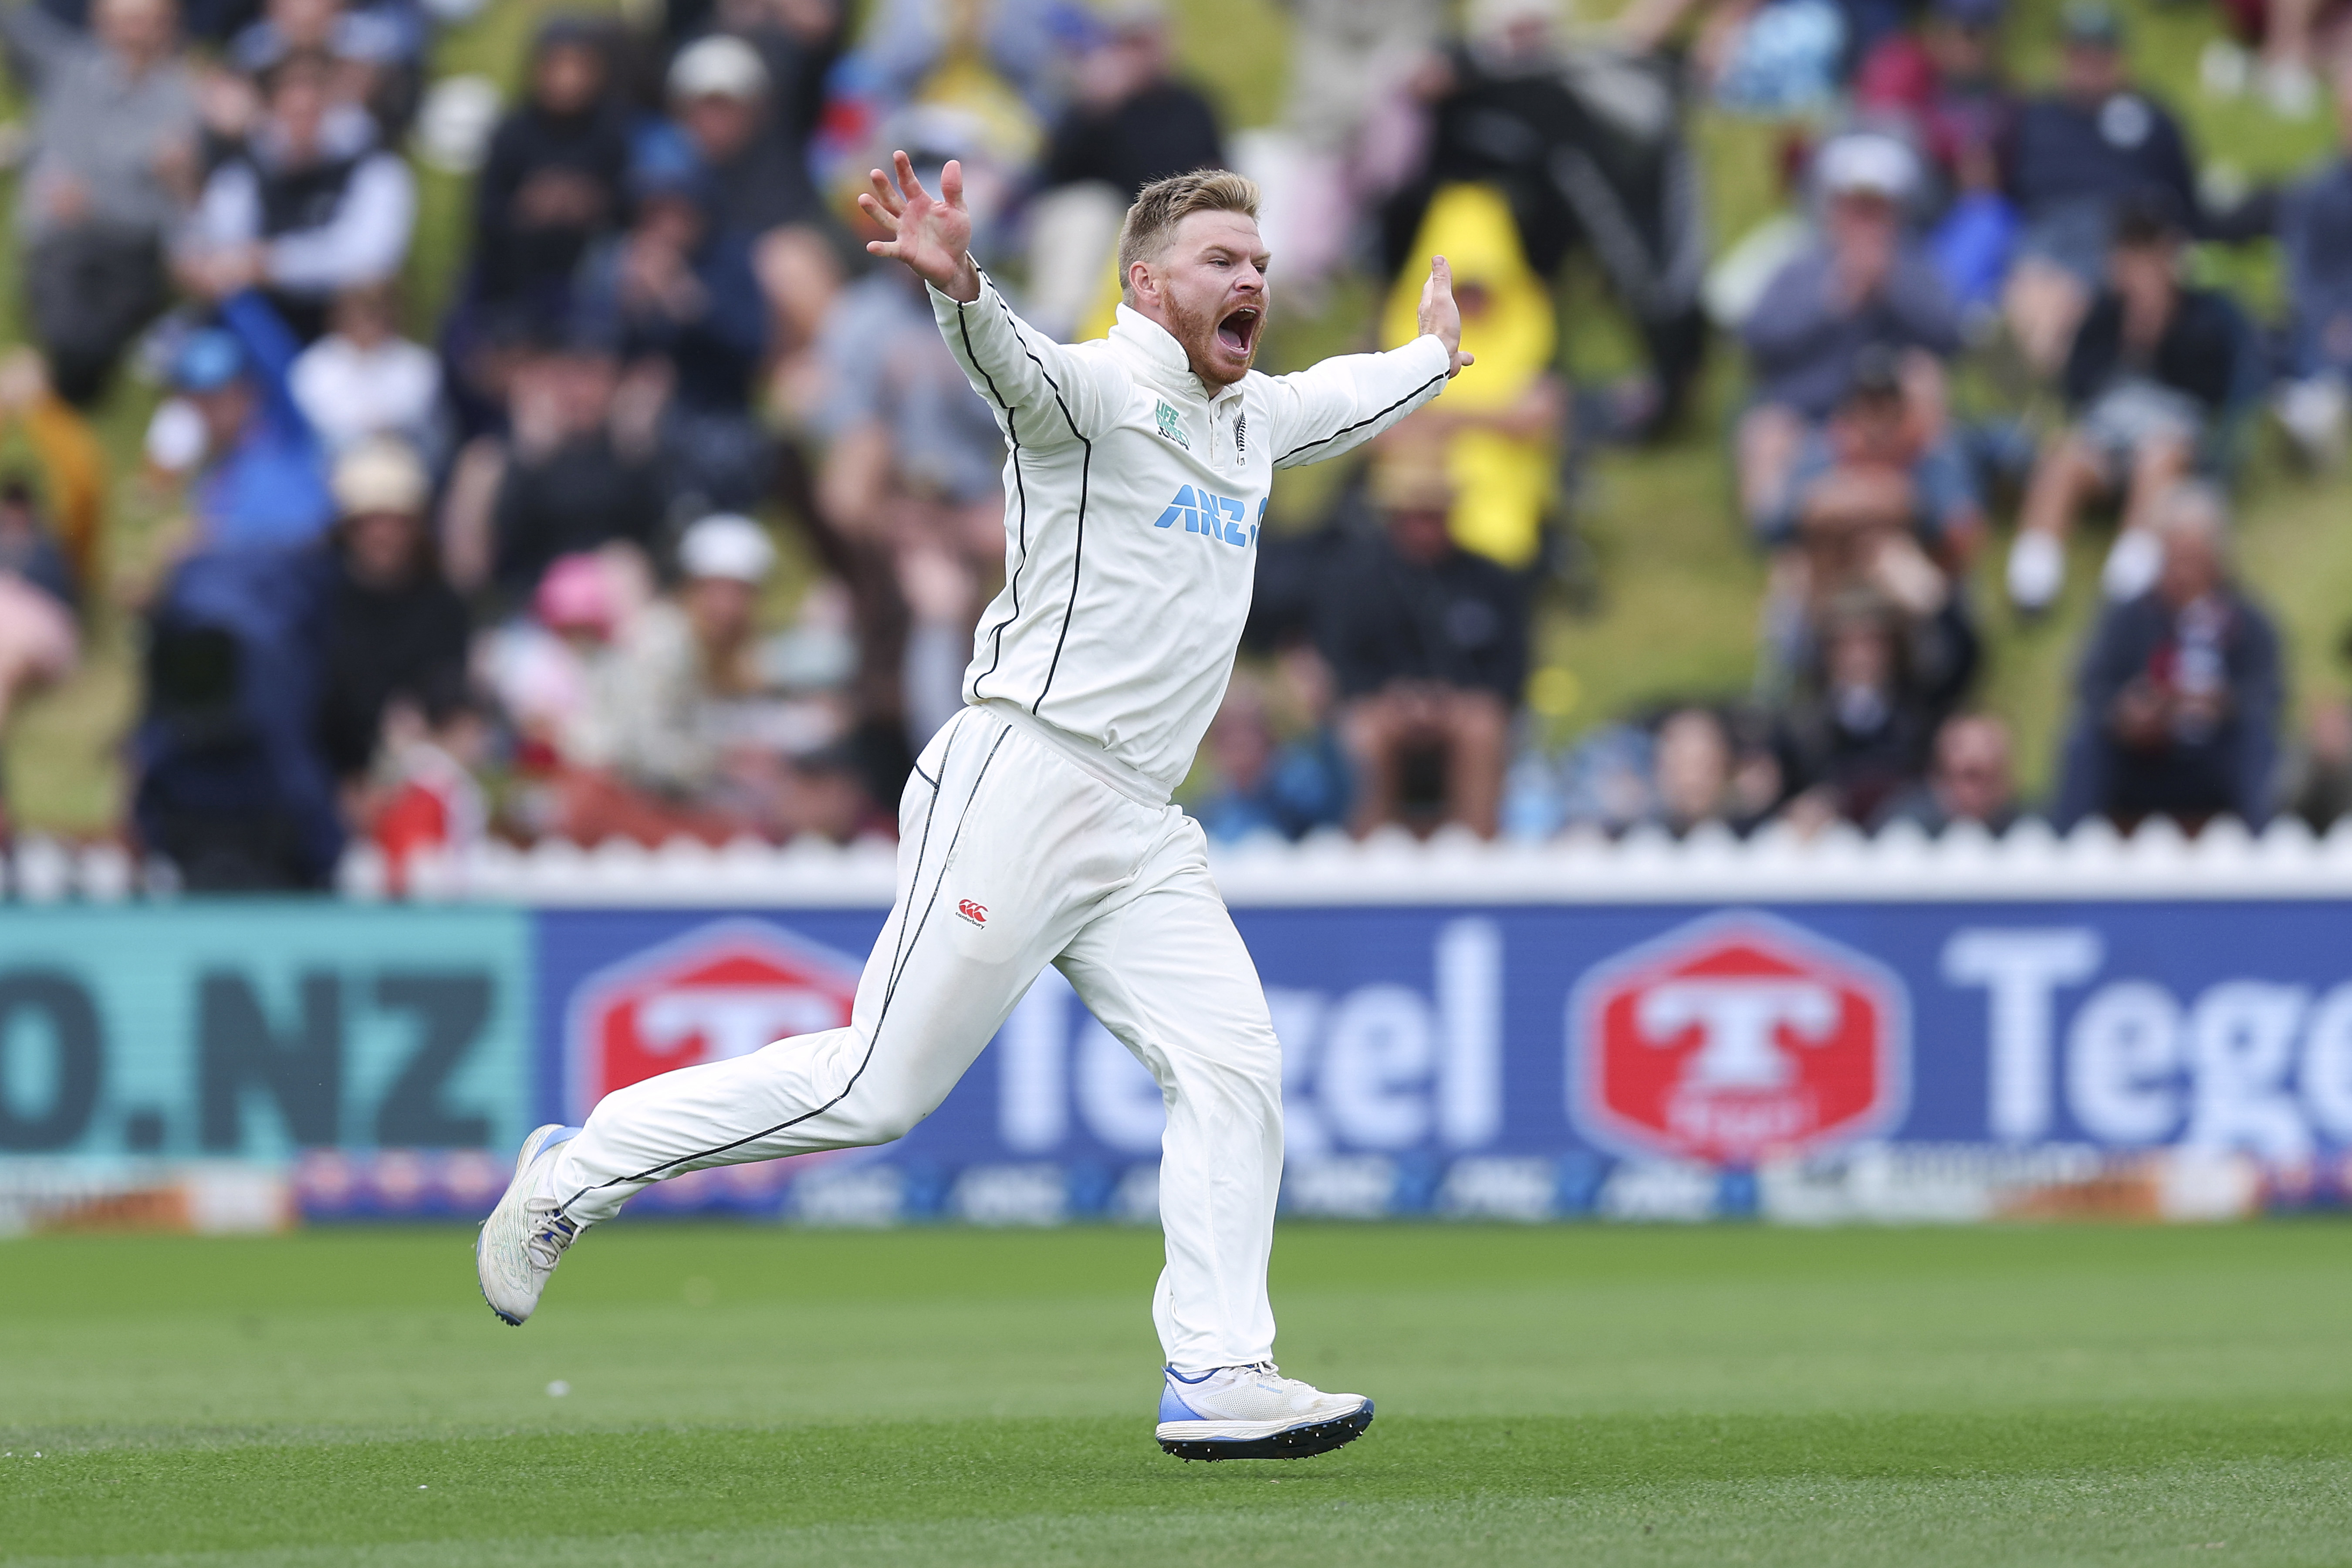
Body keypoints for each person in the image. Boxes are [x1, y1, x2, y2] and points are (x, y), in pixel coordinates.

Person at [477, 157, 1472, 1464]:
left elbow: (1339, 399)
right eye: (1224, 261)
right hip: (1024, 776)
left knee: (1236, 1071)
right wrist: (960, 287)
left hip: (1138, 825)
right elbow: (1015, 368)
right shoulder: (1097, 391)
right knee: (875, 1092)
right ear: (1146, 283)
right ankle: (573, 1172)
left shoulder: (1250, 418)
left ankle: (1220, 1369)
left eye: (1263, 266)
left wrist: (1435, 357)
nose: (1253, 282)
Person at [2005, 195, 2245, 612]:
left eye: (2149, 252)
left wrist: (2161, 334)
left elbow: (2216, 391)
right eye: (2131, 254)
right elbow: (2076, 387)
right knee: (2063, 457)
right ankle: (2034, 582)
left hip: (2172, 431)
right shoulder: (2103, 313)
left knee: (2159, 454)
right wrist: (2127, 336)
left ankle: (2128, 582)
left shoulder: (2207, 313)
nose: (2141, 266)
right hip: (2107, 431)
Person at [1737, 132, 1962, 529]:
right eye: (1856, 207)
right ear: (1833, 208)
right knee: (1767, 431)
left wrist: (1889, 289)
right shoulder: (1799, 267)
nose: (1866, 221)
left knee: (1925, 378)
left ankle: (1945, 519)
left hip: (1890, 416)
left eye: (1877, 209)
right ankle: (1775, 533)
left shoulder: (1916, 268)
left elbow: (1951, 337)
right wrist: (1834, 302)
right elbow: (1757, 340)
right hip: (1808, 410)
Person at [0, 0, 201, 405]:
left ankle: (40, 379)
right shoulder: (67, 69)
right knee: (67, 310)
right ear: (100, 24)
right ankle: (54, 379)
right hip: (60, 243)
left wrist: (98, 205)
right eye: (121, 23)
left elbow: (170, 215)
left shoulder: (184, 101)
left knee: (98, 324)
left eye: (144, 23)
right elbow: (15, 28)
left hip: (129, 252)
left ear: (168, 27)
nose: (132, 35)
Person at [1318, 460, 1527, 839]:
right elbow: (1342, 663)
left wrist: (1449, 700)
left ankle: (1477, 852)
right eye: (1416, 516)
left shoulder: (1490, 580)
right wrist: (1395, 699)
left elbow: (1511, 671)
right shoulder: (1356, 582)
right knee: (1364, 735)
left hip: (1460, 708)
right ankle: (1367, 851)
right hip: (1385, 707)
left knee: (1483, 728)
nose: (1426, 527)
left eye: (1435, 515)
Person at [2054, 485, 2282, 831]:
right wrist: (2128, 713)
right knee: (2084, 741)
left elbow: (2270, 694)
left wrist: (2222, 702)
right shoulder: (2126, 618)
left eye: (2194, 558)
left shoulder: (2248, 622)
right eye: (2174, 558)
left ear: (2218, 559)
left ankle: (2267, 859)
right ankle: (2062, 856)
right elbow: (2091, 686)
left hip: (2214, 758)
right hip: (2141, 760)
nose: (2183, 572)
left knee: (2257, 742)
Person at [2000, 0, 2201, 377]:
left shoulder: (2154, 117)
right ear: (2063, 54)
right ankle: (2050, 397)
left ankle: (2114, 386)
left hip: (2129, 230)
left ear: (2120, 55)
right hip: (2053, 231)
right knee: (2037, 294)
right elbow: (2013, 192)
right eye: (2080, 50)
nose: (2090, 61)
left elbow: (2185, 200)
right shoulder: (2035, 116)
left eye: (2100, 50)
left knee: (2133, 283)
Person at [179, 49, 416, 341]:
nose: (302, 124)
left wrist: (275, 264)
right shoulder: (247, 167)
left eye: (313, 112)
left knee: (369, 295)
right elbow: (216, 243)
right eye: (292, 113)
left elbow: (370, 258)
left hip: (339, 319)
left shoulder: (375, 167)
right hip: (264, 315)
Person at [314, 438, 468, 787]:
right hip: (335, 778)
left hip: (427, 773)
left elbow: (456, 697)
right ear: (348, 528)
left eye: (396, 521)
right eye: (371, 521)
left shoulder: (444, 603)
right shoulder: (319, 603)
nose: (383, 534)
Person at [2273, 61, 2352, 465]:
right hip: (2334, 326)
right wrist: (2332, 320)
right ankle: (2318, 414)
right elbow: (2300, 278)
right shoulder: (2315, 193)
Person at [288, 280, 441, 457]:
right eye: (362, 314)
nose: (369, 324)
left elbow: (411, 416)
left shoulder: (419, 364)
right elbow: (325, 423)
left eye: (377, 313)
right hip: (332, 462)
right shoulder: (311, 366)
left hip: (406, 457)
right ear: (339, 316)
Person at [1874, 710, 2021, 832]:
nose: (1974, 755)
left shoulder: (2020, 828)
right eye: (1968, 777)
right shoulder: (1905, 823)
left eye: (1989, 746)